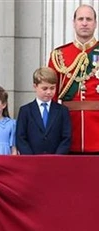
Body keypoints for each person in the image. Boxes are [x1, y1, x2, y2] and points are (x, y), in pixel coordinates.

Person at [48, 4, 99, 153]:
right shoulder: (59, 55)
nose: (84, 23)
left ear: (95, 23)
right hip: (68, 130)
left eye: (89, 19)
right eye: (80, 19)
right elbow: (51, 95)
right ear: (74, 23)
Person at [16, 67, 71, 155]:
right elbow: (21, 137)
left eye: (52, 88)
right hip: (32, 161)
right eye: (44, 88)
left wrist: (57, 157)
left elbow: (66, 137)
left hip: (56, 161)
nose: (49, 92)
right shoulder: (25, 111)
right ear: (35, 86)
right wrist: (30, 158)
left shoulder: (62, 111)